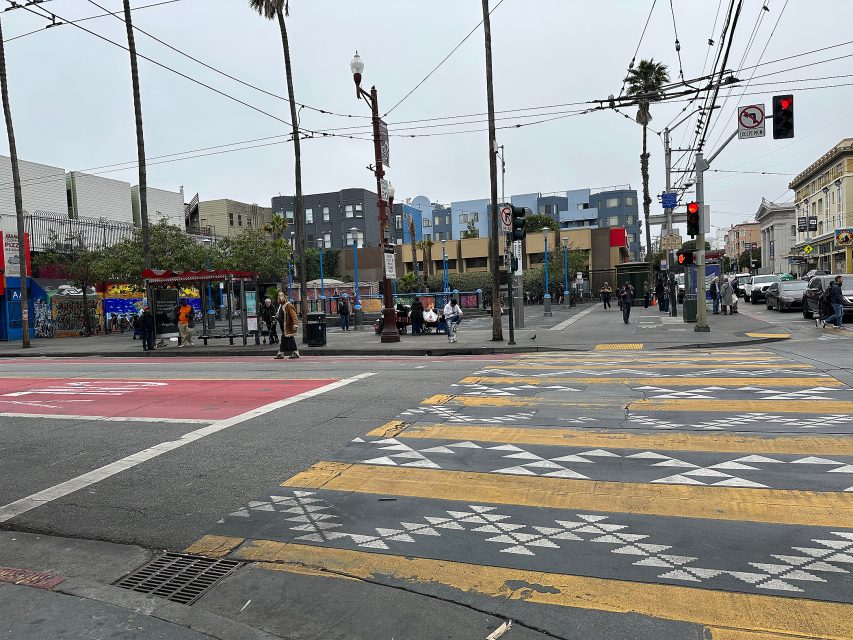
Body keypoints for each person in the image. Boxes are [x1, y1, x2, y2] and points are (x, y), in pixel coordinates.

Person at [275, 292, 300, 359]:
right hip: (283, 326)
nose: (278, 299)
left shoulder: (288, 305)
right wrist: (277, 317)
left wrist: (295, 324)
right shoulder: (281, 306)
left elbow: (294, 316)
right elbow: (281, 316)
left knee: (286, 338)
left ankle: (281, 352)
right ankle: (292, 352)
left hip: (287, 326)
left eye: (279, 298)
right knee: (287, 339)